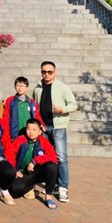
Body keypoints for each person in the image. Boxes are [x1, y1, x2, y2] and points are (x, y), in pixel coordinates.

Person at [33, 61, 77, 203]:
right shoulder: (37, 88)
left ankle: (63, 187)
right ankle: (52, 183)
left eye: (49, 72)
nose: (46, 74)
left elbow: (74, 104)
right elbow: (35, 106)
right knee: (47, 157)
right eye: (44, 72)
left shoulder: (63, 87)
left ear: (55, 72)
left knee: (61, 157)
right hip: (43, 128)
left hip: (58, 127)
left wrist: (62, 110)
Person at [9, 118, 59, 209]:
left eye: (34, 130)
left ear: (40, 131)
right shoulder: (20, 140)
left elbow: (53, 157)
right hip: (23, 173)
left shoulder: (44, 142)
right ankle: (30, 187)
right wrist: (15, 170)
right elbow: (10, 156)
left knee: (52, 167)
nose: (31, 132)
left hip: (37, 172)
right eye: (28, 129)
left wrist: (35, 161)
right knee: (14, 190)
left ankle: (48, 196)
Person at [3, 76, 44, 141]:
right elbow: (6, 117)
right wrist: (6, 131)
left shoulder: (31, 102)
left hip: (29, 132)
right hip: (15, 132)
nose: (20, 88)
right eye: (18, 85)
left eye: (22, 86)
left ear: (27, 88)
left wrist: (41, 124)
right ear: (15, 86)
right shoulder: (10, 100)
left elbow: (36, 116)